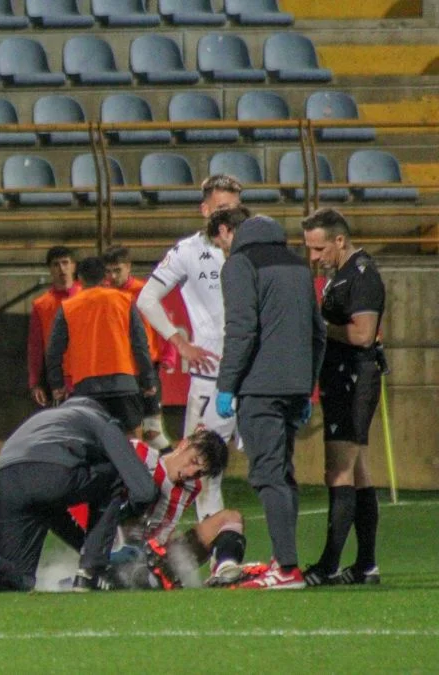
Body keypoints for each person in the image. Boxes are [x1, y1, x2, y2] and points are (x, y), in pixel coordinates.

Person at [0, 424, 235, 592]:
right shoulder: (136, 453)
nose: (191, 473)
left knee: (230, 518)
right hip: (109, 543)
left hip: (143, 552)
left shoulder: (190, 488)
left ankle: (226, 570)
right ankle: (85, 578)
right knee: (131, 568)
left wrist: (162, 553)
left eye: (200, 472)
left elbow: (163, 528)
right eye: (194, 462)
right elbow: (99, 496)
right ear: (183, 444)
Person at [0, 397, 161, 592]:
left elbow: (53, 511)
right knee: (113, 474)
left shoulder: (45, 418)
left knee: (20, 578)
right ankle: (91, 574)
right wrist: (120, 519)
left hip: (2, 482)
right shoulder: (102, 421)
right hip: (50, 472)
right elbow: (144, 491)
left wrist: (88, 546)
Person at [215, 208, 326, 590]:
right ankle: (284, 559)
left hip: (260, 387)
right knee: (284, 473)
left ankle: (288, 569)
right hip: (295, 386)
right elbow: (318, 333)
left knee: (267, 474)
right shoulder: (298, 266)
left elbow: (242, 330)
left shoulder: (240, 264)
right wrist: (308, 386)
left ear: (234, 234)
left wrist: (226, 384)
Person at [135, 174, 243, 520]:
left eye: (235, 209)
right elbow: (147, 299)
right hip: (211, 377)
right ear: (205, 209)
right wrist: (179, 342)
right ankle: (218, 560)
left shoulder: (250, 249)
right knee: (203, 470)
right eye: (222, 208)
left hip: (253, 376)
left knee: (273, 469)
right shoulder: (188, 251)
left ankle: (279, 563)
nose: (229, 217)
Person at [300, 208, 385, 586]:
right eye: (310, 250)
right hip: (344, 377)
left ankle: (329, 563)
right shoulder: (342, 276)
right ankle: (366, 564)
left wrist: (317, 328)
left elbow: (364, 334)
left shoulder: (362, 274)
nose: (314, 257)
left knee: (339, 470)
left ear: (340, 240)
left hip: (353, 379)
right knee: (359, 471)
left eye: (319, 249)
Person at [46, 256, 157, 436]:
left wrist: (57, 384)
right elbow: (140, 345)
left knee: (91, 444)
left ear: (79, 278)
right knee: (133, 446)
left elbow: (53, 351)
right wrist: (148, 380)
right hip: (124, 384)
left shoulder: (68, 307)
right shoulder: (125, 301)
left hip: (86, 388)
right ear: (105, 277)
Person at [103, 245, 170, 453]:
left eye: (117, 270)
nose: (113, 276)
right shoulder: (104, 295)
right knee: (130, 433)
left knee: (152, 432)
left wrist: (169, 355)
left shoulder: (143, 292)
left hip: (146, 367)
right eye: (108, 271)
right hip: (119, 369)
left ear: (128, 267)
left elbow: (163, 323)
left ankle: (172, 474)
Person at [27, 246, 79, 407]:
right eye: (56, 264)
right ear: (50, 269)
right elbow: (36, 346)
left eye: (65, 263)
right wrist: (35, 382)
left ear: (73, 266)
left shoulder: (87, 295)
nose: (62, 268)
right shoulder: (41, 305)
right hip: (59, 378)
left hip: (88, 373)